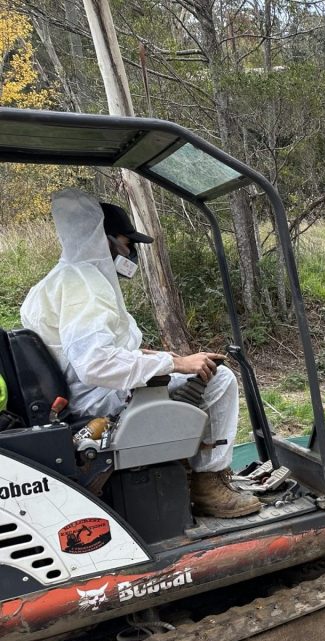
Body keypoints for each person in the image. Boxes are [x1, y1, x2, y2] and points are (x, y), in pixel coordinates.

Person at [20, 188, 260, 518]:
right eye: (128, 243)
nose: (131, 252)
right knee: (221, 381)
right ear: (104, 240)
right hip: (97, 400)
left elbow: (83, 349)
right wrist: (175, 362)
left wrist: (160, 358)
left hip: (79, 394)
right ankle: (207, 484)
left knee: (197, 373)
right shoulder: (85, 285)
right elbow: (95, 362)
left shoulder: (54, 282)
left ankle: (187, 468)